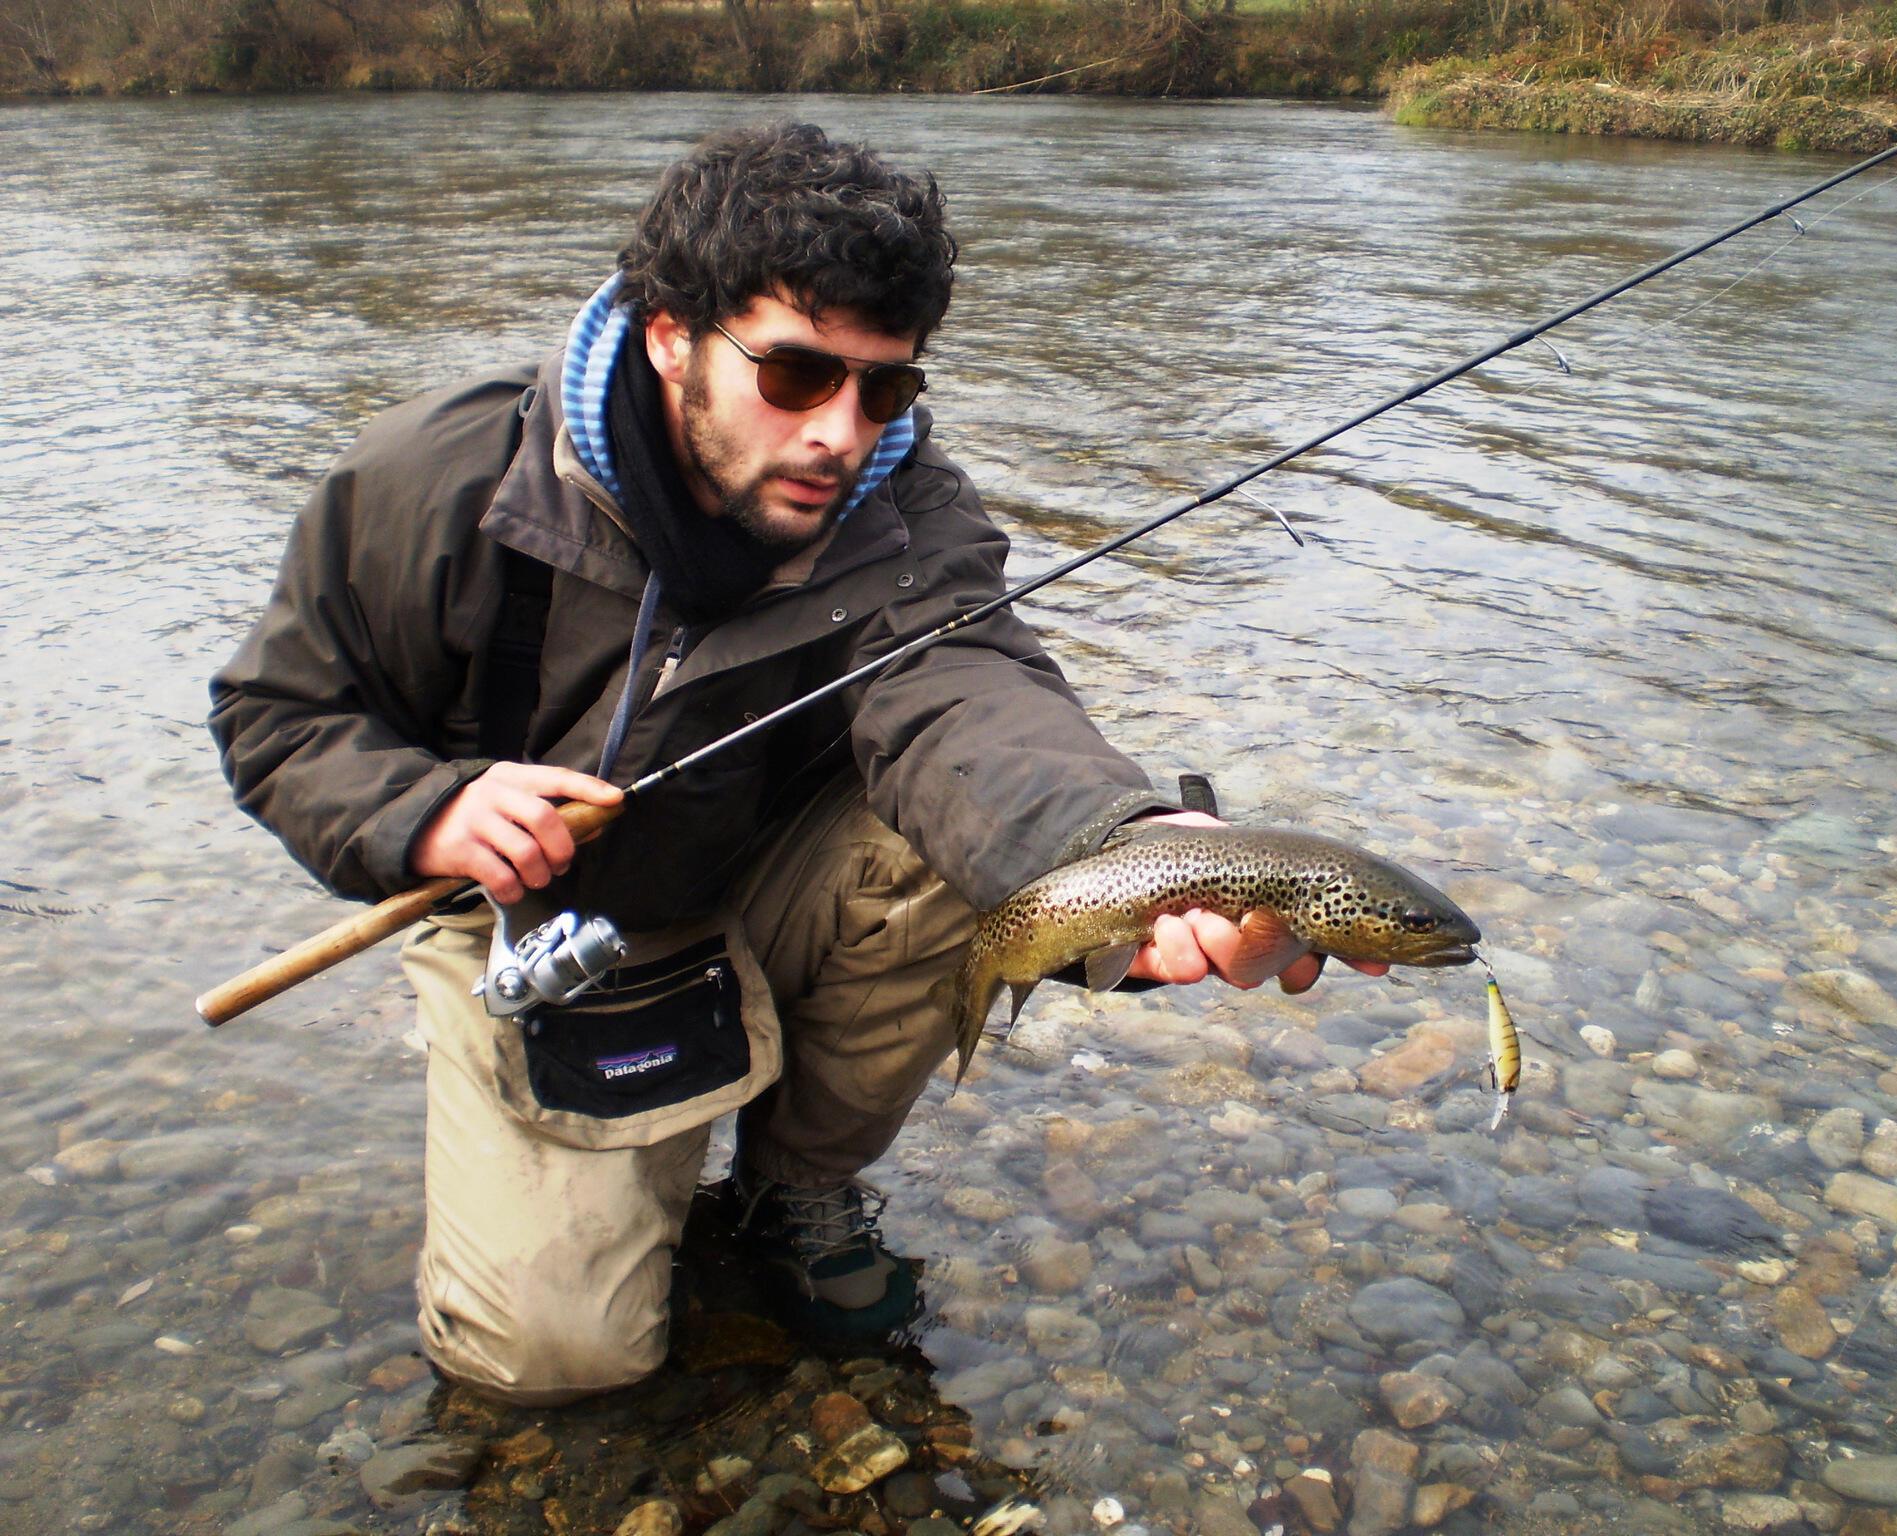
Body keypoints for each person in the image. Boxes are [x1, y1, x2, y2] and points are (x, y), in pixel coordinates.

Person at [209, 121, 1377, 1406]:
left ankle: (792, 1187)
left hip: (771, 864)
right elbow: (279, 716)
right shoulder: (439, 478)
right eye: (796, 374)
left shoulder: (905, 509)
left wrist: (1134, 852)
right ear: (671, 335)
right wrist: (427, 813)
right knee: (553, 1363)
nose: (840, 432)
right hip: (533, 912)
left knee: (958, 857)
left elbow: (968, 706)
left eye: (884, 389)